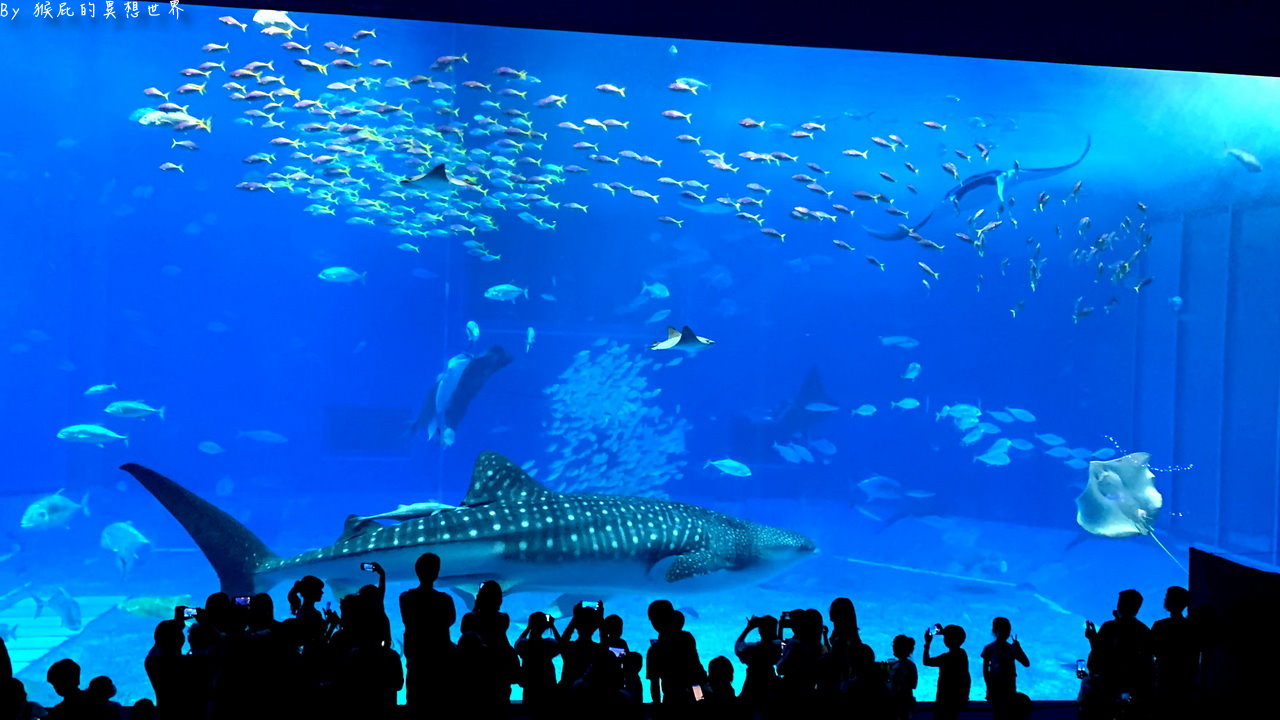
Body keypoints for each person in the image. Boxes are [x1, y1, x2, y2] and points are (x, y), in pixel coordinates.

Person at [400, 553, 457, 715]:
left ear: (416, 571)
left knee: (416, 703)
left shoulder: (405, 597)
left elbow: (408, 621)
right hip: (441, 659)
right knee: (441, 703)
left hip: (417, 659)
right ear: (437, 572)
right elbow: (450, 621)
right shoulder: (445, 599)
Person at [1085, 589, 1152, 717]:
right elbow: (1147, 660)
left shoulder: (1109, 627)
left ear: (1120, 605)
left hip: (1108, 685)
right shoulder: (1144, 630)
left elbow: (1099, 653)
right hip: (1133, 687)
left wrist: (1092, 637)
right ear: (1137, 609)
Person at [462, 581, 518, 705]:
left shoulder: (469, 618)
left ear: (479, 597)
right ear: (499, 599)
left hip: (475, 670)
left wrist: (476, 606)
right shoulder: (503, 618)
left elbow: (465, 637)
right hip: (499, 669)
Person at [1150, 586, 1196, 720]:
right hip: (1185, 679)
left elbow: (1150, 649)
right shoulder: (1191, 627)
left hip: (1163, 677)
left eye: (1167, 597)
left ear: (1169, 602)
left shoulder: (1160, 625)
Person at [981, 617, 1030, 720]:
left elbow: (1026, 663)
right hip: (996, 686)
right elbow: (985, 671)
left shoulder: (1011, 648)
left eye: (1007, 630)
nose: (1005, 633)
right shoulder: (989, 648)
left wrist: (1018, 648)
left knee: (1009, 712)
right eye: (1002, 630)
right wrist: (989, 686)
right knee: (997, 712)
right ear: (995, 631)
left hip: (1009, 686)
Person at [515, 611, 562, 713]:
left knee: (528, 712)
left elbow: (518, 643)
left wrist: (529, 627)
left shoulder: (524, 645)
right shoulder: (549, 644)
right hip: (548, 685)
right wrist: (553, 626)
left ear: (530, 624)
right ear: (545, 627)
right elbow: (562, 646)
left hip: (530, 685)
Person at [922, 624, 969, 720]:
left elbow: (926, 661)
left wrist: (927, 644)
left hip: (943, 698)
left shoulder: (945, 658)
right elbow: (966, 677)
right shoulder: (962, 654)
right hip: (956, 697)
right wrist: (965, 696)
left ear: (947, 640)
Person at [735, 615, 782, 711]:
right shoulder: (779, 649)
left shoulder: (752, 649)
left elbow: (738, 647)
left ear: (759, 631)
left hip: (751, 689)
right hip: (771, 689)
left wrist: (748, 628)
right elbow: (777, 643)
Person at [887, 635, 918, 720]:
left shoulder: (902, 665)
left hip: (901, 700)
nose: (893, 647)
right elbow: (913, 684)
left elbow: (912, 684)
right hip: (899, 700)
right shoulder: (907, 665)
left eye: (895, 645)